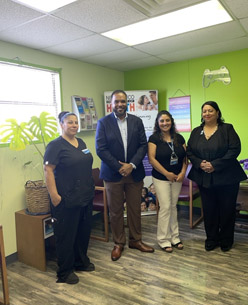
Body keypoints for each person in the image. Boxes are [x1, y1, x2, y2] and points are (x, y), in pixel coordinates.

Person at [96, 90, 154, 261]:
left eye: (123, 101)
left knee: (135, 209)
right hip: (113, 174)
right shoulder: (103, 123)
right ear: (111, 104)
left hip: (134, 173)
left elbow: (143, 145)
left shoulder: (137, 121)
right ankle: (118, 243)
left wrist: (132, 165)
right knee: (115, 211)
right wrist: (119, 167)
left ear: (127, 103)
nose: (120, 105)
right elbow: (101, 149)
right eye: (116, 102)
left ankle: (136, 240)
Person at [187, 101, 247, 252]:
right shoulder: (196, 132)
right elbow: (190, 152)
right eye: (204, 111)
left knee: (227, 209)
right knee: (209, 210)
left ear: (217, 113)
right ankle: (211, 238)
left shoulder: (227, 129)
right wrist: (200, 163)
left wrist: (215, 164)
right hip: (204, 177)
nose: (207, 113)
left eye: (210, 110)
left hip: (227, 177)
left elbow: (235, 149)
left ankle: (226, 239)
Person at [44, 111, 95, 284]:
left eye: (76, 122)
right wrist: (54, 196)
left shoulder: (80, 142)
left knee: (82, 232)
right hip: (66, 199)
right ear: (61, 124)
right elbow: (48, 170)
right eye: (70, 122)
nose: (74, 125)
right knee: (66, 235)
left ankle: (80, 262)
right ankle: (65, 272)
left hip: (85, 196)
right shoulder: (55, 145)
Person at [148, 110, 187, 253]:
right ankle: (163, 239)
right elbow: (152, 159)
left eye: (167, 120)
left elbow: (185, 157)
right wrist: (167, 173)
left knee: (173, 206)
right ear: (158, 123)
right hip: (161, 178)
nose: (165, 123)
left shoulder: (179, 138)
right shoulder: (153, 139)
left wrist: (183, 172)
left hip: (178, 177)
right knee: (165, 207)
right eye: (162, 121)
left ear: (172, 121)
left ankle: (175, 237)